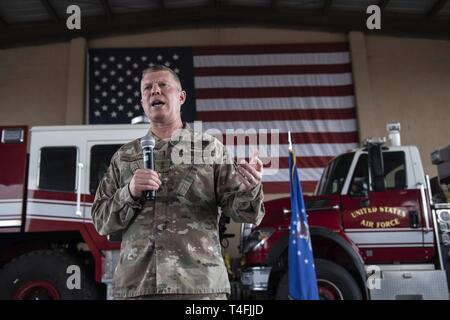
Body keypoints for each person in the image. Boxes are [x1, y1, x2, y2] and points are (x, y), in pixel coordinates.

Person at [91, 65, 265, 300]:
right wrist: (130, 192)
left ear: (181, 97)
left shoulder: (209, 149)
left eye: (163, 85)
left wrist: (251, 188)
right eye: (147, 88)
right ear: (143, 102)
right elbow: (101, 221)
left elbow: (245, 214)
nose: (155, 91)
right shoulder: (124, 157)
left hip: (199, 288)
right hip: (139, 288)